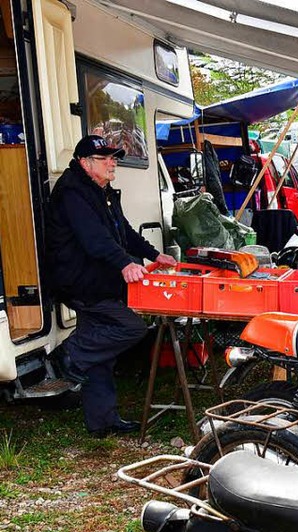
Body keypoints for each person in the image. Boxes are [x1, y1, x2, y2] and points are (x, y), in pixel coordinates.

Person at [44, 135, 178, 436]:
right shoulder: (72, 193)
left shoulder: (102, 191)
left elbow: (124, 231)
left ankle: (102, 421)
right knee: (132, 328)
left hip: (98, 280)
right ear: (84, 162)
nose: (112, 162)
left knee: (101, 351)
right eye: (105, 158)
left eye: (113, 157)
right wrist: (124, 263)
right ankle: (68, 356)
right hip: (80, 282)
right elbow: (95, 239)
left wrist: (154, 254)